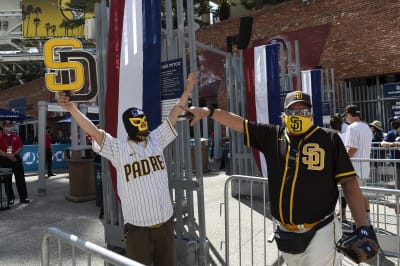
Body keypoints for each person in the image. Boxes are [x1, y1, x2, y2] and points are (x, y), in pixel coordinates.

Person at [183, 91, 370, 265]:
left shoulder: (329, 138)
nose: (298, 115)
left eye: (304, 110)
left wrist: (362, 226)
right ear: (284, 114)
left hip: (321, 231)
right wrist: (208, 112)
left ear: (311, 114)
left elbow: (349, 182)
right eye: (293, 110)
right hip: (286, 233)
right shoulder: (273, 136)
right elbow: (239, 123)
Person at [57, 72, 197, 265]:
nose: (143, 124)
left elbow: (174, 113)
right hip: (138, 228)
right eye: (137, 122)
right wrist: (72, 108)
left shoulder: (156, 139)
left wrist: (187, 90)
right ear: (128, 126)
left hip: (165, 222)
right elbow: (95, 133)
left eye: (143, 120)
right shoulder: (119, 149)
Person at [343, 105, 372, 224]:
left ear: (349, 115)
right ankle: (367, 219)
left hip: (355, 167)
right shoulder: (366, 127)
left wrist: (343, 160)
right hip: (365, 166)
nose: (345, 118)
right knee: (363, 194)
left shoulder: (352, 128)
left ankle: (360, 223)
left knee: (354, 196)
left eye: (346, 115)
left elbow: (352, 148)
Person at [0, 120, 30, 204]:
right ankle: (10, 198)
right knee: (7, 180)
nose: (8, 127)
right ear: (3, 127)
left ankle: (23, 197)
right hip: (5, 159)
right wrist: (7, 155)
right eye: (6, 125)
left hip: (15, 159)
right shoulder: (0, 137)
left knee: (20, 178)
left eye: (9, 125)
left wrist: (13, 154)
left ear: (12, 126)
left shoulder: (17, 137)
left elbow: (20, 147)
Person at [329, 113, 348, 222]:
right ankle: (343, 214)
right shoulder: (345, 135)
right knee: (342, 192)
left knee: (333, 191)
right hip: (343, 167)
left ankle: (336, 214)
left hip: (333, 168)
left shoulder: (330, 136)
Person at [381, 116, 400, 190]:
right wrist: (392, 144)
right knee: (398, 181)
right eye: (393, 122)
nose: (393, 123)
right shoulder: (391, 133)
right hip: (397, 161)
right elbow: (382, 143)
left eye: (396, 122)